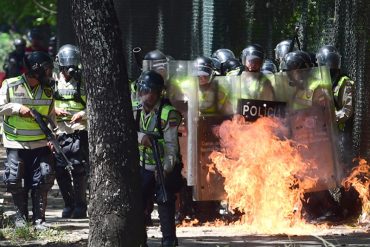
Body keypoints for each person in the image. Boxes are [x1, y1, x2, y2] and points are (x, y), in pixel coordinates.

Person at [0, 51, 55, 229]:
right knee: (15, 179)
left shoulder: (48, 90)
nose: (50, 73)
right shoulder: (10, 84)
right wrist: (17, 108)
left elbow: (51, 119)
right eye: (47, 69)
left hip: (41, 144)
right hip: (16, 143)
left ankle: (39, 220)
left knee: (44, 178)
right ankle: (20, 218)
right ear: (36, 70)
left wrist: (53, 139)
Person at [135, 70, 182, 246]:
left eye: (154, 92)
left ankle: (169, 240)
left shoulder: (168, 113)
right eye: (146, 91)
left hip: (163, 167)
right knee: (138, 203)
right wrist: (141, 138)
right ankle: (140, 240)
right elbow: (125, 134)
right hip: (141, 167)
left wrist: (165, 169)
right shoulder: (134, 108)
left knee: (165, 200)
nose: (150, 96)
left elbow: (171, 148)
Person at [53, 44, 88, 219]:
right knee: (59, 169)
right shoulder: (52, 82)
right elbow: (44, 104)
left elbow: (96, 105)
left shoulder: (83, 81)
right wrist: (55, 111)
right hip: (59, 131)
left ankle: (81, 205)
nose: (70, 71)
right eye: (67, 68)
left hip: (79, 130)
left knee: (78, 168)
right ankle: (69, 203)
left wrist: (83, 114)